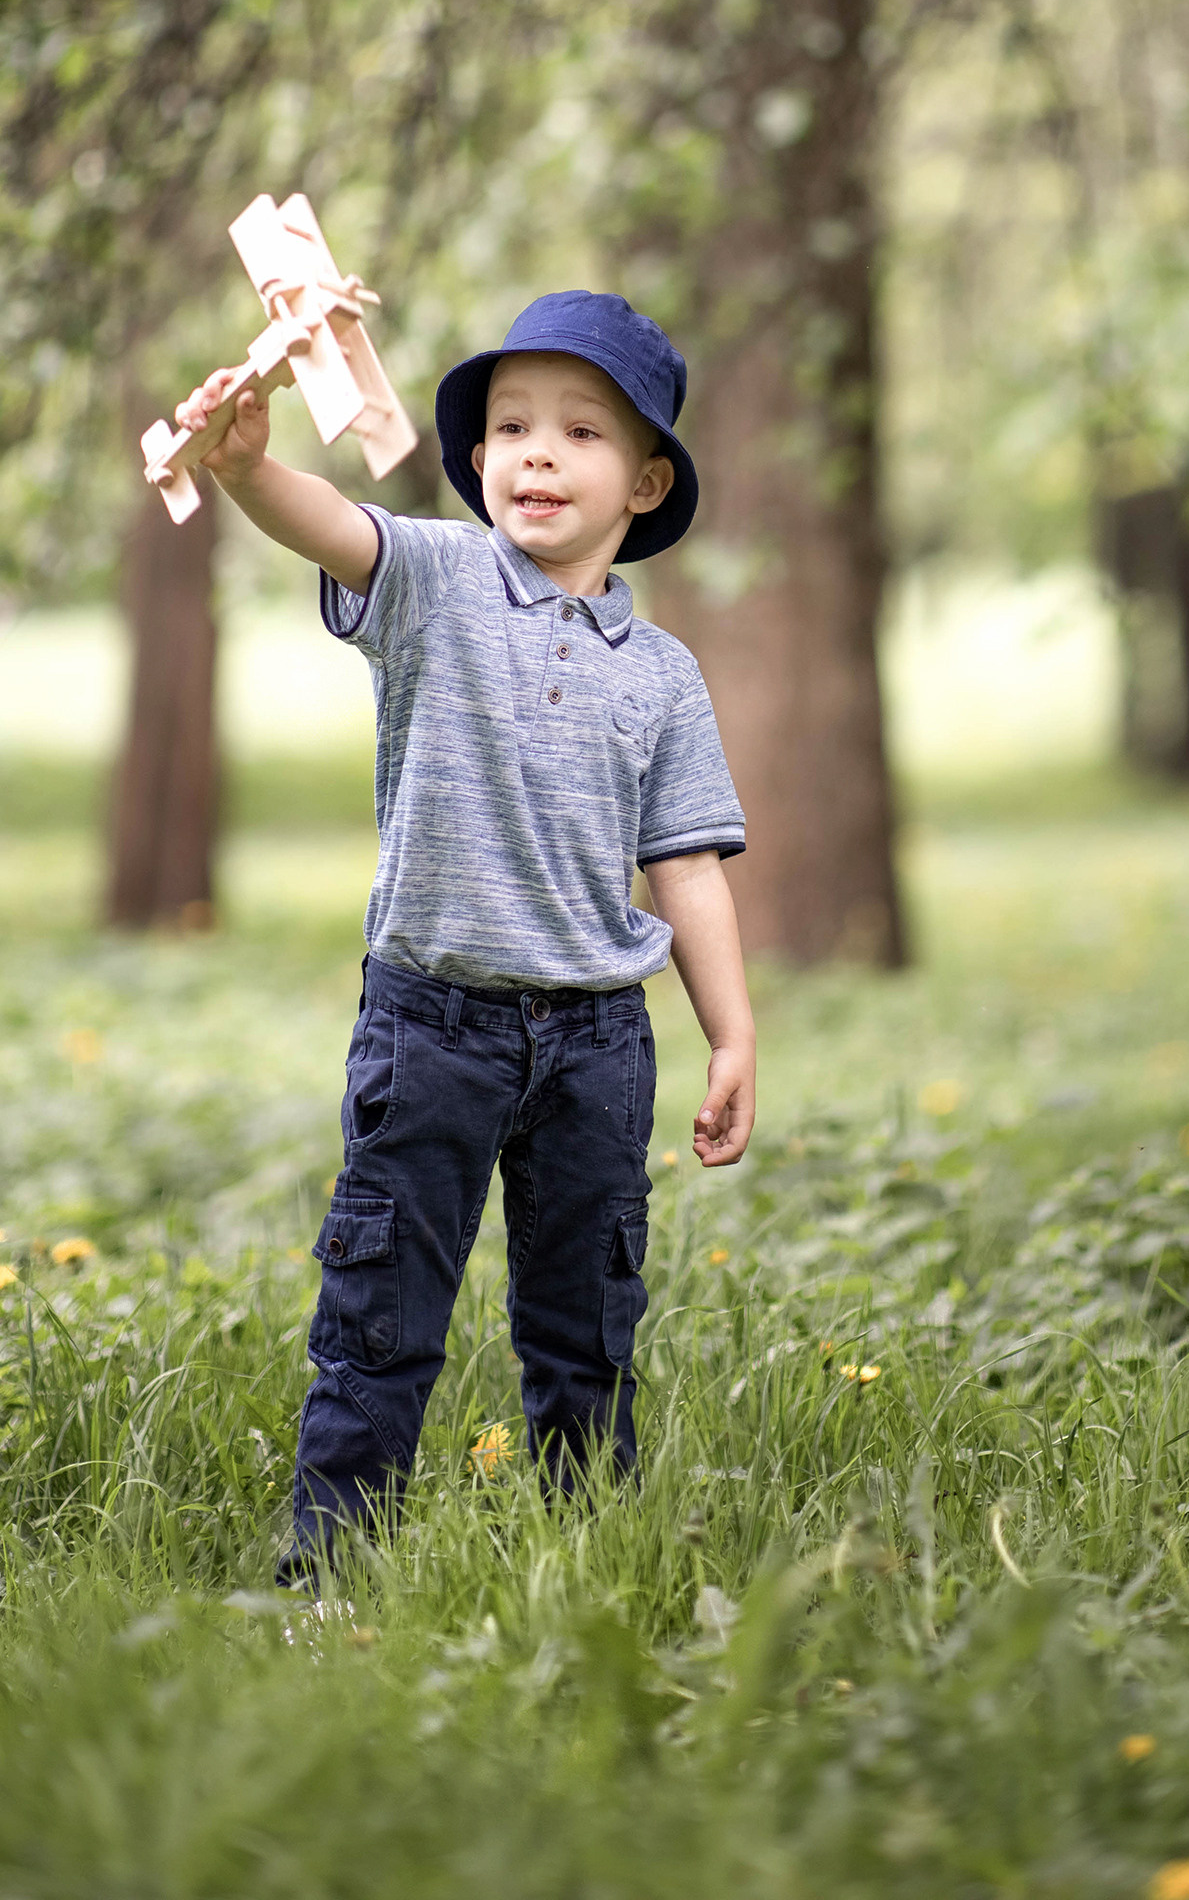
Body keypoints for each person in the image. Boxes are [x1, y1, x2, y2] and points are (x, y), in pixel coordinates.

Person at [173, 289, 755, 1572]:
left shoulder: (660, 675)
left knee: (587, 1321)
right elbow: (331, 528)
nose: (537, 452)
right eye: (510, 426)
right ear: (478, 459)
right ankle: (329, 1571)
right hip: (433, 1024)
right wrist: (250, 464)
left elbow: (687, 866)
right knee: (380, 1311)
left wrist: (730, 1031)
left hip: (598, 1043)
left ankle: (590, 1559)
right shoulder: (436, 580)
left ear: (646, 482)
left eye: (580, 433)